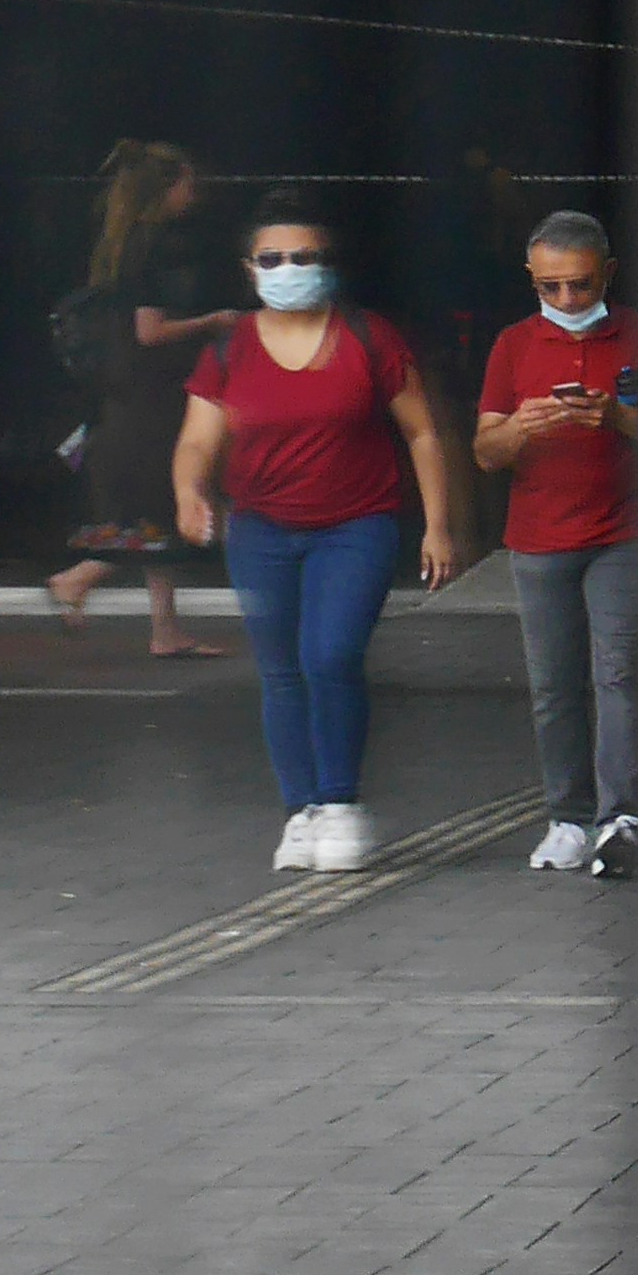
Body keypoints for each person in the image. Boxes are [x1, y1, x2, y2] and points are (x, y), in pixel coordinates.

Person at [172, 202, 466, 875]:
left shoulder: (369, 338)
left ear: (328, 266)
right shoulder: (228, 349)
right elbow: (196, 440)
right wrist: (190, 492)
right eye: (272, 259)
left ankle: (339, 802)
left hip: (356, 525)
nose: (288, 269)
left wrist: (439, 527)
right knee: (280, 672)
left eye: (304, 257)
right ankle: (299, 811)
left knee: (331, 656)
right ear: (249, 270)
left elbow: (423, 431)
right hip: (260, 530)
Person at [477, 212, 638, 877]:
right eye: (549, 287)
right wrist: (521, 427)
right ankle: (568, 818)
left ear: (608, 273)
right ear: (532, 279)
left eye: (581, 285)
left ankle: (620, 818)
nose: (567, 300)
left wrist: (617, 417)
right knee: (554, 685)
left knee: (617, 675)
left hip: (622, 535)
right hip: (539, 536)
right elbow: (485, 451)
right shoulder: (513, 345)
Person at [51, 139, 231, 654]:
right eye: (188, 182)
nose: (195, 191)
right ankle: (81, 576)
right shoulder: (159, 247)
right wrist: (214, 321)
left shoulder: (121, 245)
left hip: (130, 390)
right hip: (152, 393)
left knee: (155, 505)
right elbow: (151, 331)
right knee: (160, 502)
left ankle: (164, 629)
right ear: (166, 188)